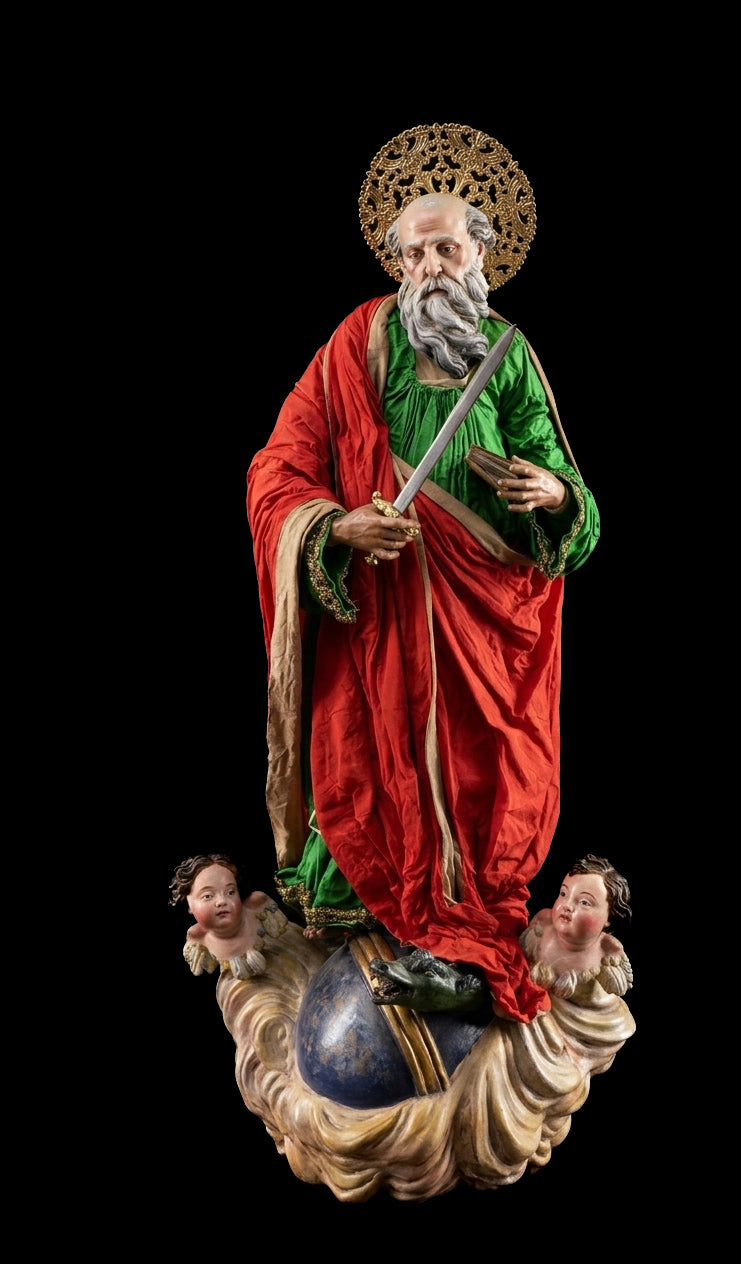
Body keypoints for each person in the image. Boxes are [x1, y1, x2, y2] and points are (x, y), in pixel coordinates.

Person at [247, 145, 600, 1023]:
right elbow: (278, 467)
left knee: (487, 774)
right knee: (369, 757)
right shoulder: (356, 343)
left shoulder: (508, 355)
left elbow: (572, 496)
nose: (431, 266)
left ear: (481, 252)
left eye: (447, 248)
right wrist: (336, 527)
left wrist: (553, 494)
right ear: (396, 262)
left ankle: (463, 938)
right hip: (384, 605)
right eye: (414, 253)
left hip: (487, 612)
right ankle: (373, 919)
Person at [520, 854, 633, 1001]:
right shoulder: (543, 920)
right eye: (563, 894)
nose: (567, 905)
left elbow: (618, 988)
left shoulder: (606, 948)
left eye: (584, 902)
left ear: (609, 917)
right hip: (530, 997)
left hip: (578, 1011)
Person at [169, 853, 287, 979]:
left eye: (230, 892)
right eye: (208, 896)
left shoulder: (256, 905)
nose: (222, 901)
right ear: (189, 905)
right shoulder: (197, 937)